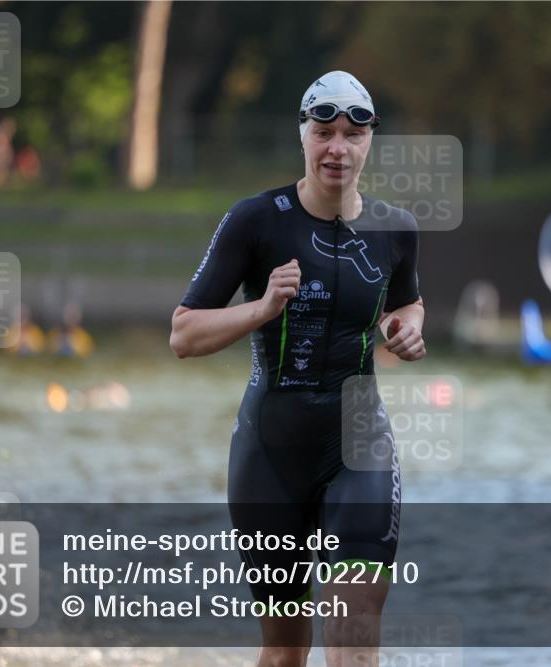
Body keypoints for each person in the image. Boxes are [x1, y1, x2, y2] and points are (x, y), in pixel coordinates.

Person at [170, 71, 425, 667]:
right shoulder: (257, 221)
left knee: (355, 634)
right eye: (324, 132)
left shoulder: (396, 229)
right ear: (303, 136)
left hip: (359, 446)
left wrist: (407, 325)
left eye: (351, 136)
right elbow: (182, 333)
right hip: (270, 456)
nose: (337, 148)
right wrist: (260, 309)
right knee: (287, 649)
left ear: (369, 143)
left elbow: (407, 299)